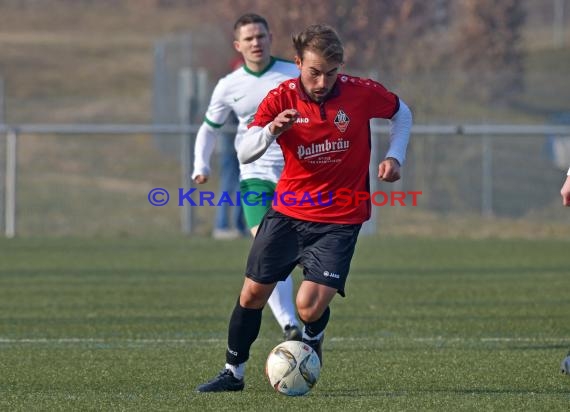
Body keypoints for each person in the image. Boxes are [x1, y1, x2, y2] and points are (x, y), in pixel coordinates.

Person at [196, 23, 413, 392]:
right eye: (313, 72)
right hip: (288, 213)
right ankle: (233, 373)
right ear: (298, 63)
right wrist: (270, 132)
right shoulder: (281, 97)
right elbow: (244, 151)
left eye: (331, 73)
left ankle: (313, 335)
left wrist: (395, 156)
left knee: (308, 307)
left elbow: (401, 112)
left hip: (340, 219)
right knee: (252, 294)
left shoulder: (360, 93)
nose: (322, 81)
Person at [192, 13, 302, 341]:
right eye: (249, 38)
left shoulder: (293, 75)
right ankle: (289, 325)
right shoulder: (229, 85)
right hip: (254, 176)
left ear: (270, 38)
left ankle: (308, 319)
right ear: (238, 45)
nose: (256, 43)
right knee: (268, 248)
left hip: (298, 175)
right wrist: (201, 165)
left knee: (303, 254)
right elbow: (208, 129)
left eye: (261, 36)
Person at [212, 112, 247, 240]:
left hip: (240, 146)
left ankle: (237, 226)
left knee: (240, 186)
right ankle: (223, 225)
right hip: (229, 146)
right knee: (228, 186)